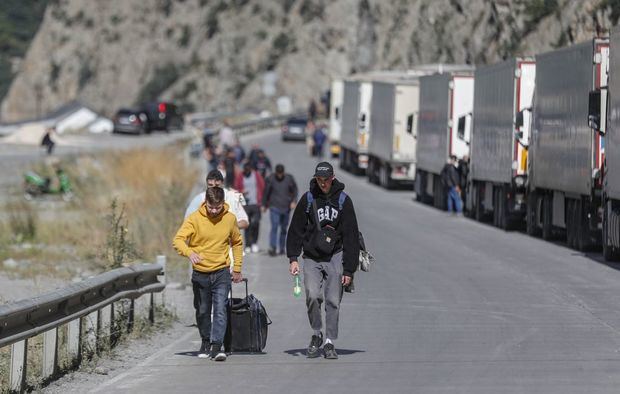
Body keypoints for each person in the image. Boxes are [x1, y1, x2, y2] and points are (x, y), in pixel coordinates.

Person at [286, 161, 360, 360]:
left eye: (325, 180)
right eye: (319, 180)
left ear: (332, 178)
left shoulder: (344, 201)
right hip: (311, 256)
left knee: (333, 300)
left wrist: (349, 270)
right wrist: (293, 258)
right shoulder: (308, 199)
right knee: (312, 295)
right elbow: (296, 229)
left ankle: (329, 342)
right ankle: (316, 333)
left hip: (335, 255)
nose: (322, 184)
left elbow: (351, 236)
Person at [173, 186, 244, 362]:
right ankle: (206, 340)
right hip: (201, 274)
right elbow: (178, 240)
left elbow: (237, 242)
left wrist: (237, 269)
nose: (214, 211)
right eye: (211, 207)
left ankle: (216, 346)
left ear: (222, 204)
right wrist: (189, 253)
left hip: (221, 272)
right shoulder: (195, 219)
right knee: (203, 311)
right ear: (206, 202)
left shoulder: (229, 219)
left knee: (220, 309)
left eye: (217, 207)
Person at [262, 164, 298, 256]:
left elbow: (294, 190)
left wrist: (294, 201)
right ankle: (273, 247)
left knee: (283, 228)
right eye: (278, 174)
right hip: (274, 206)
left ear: (283, 172)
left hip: (286, 207)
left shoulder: (289, 179)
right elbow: (266, 192)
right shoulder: (270, 179)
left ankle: (282, 247)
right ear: (276, 172)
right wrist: (264, 205)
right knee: (274, 226)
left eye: (281, 174)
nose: (279, 175)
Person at [235, 162, 265, 253]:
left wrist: (263, 202)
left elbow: (262, 186)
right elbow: (236, 188)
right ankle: (248, 244)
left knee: (256, 223)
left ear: (251, 169)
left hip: (256, 203)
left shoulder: (256, 175)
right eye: (245, 171)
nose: (246, 172)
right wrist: (241, 192)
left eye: (248, 170)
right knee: (247, 224)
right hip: (245, 204)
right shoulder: (241, 176)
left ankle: (254, 243)